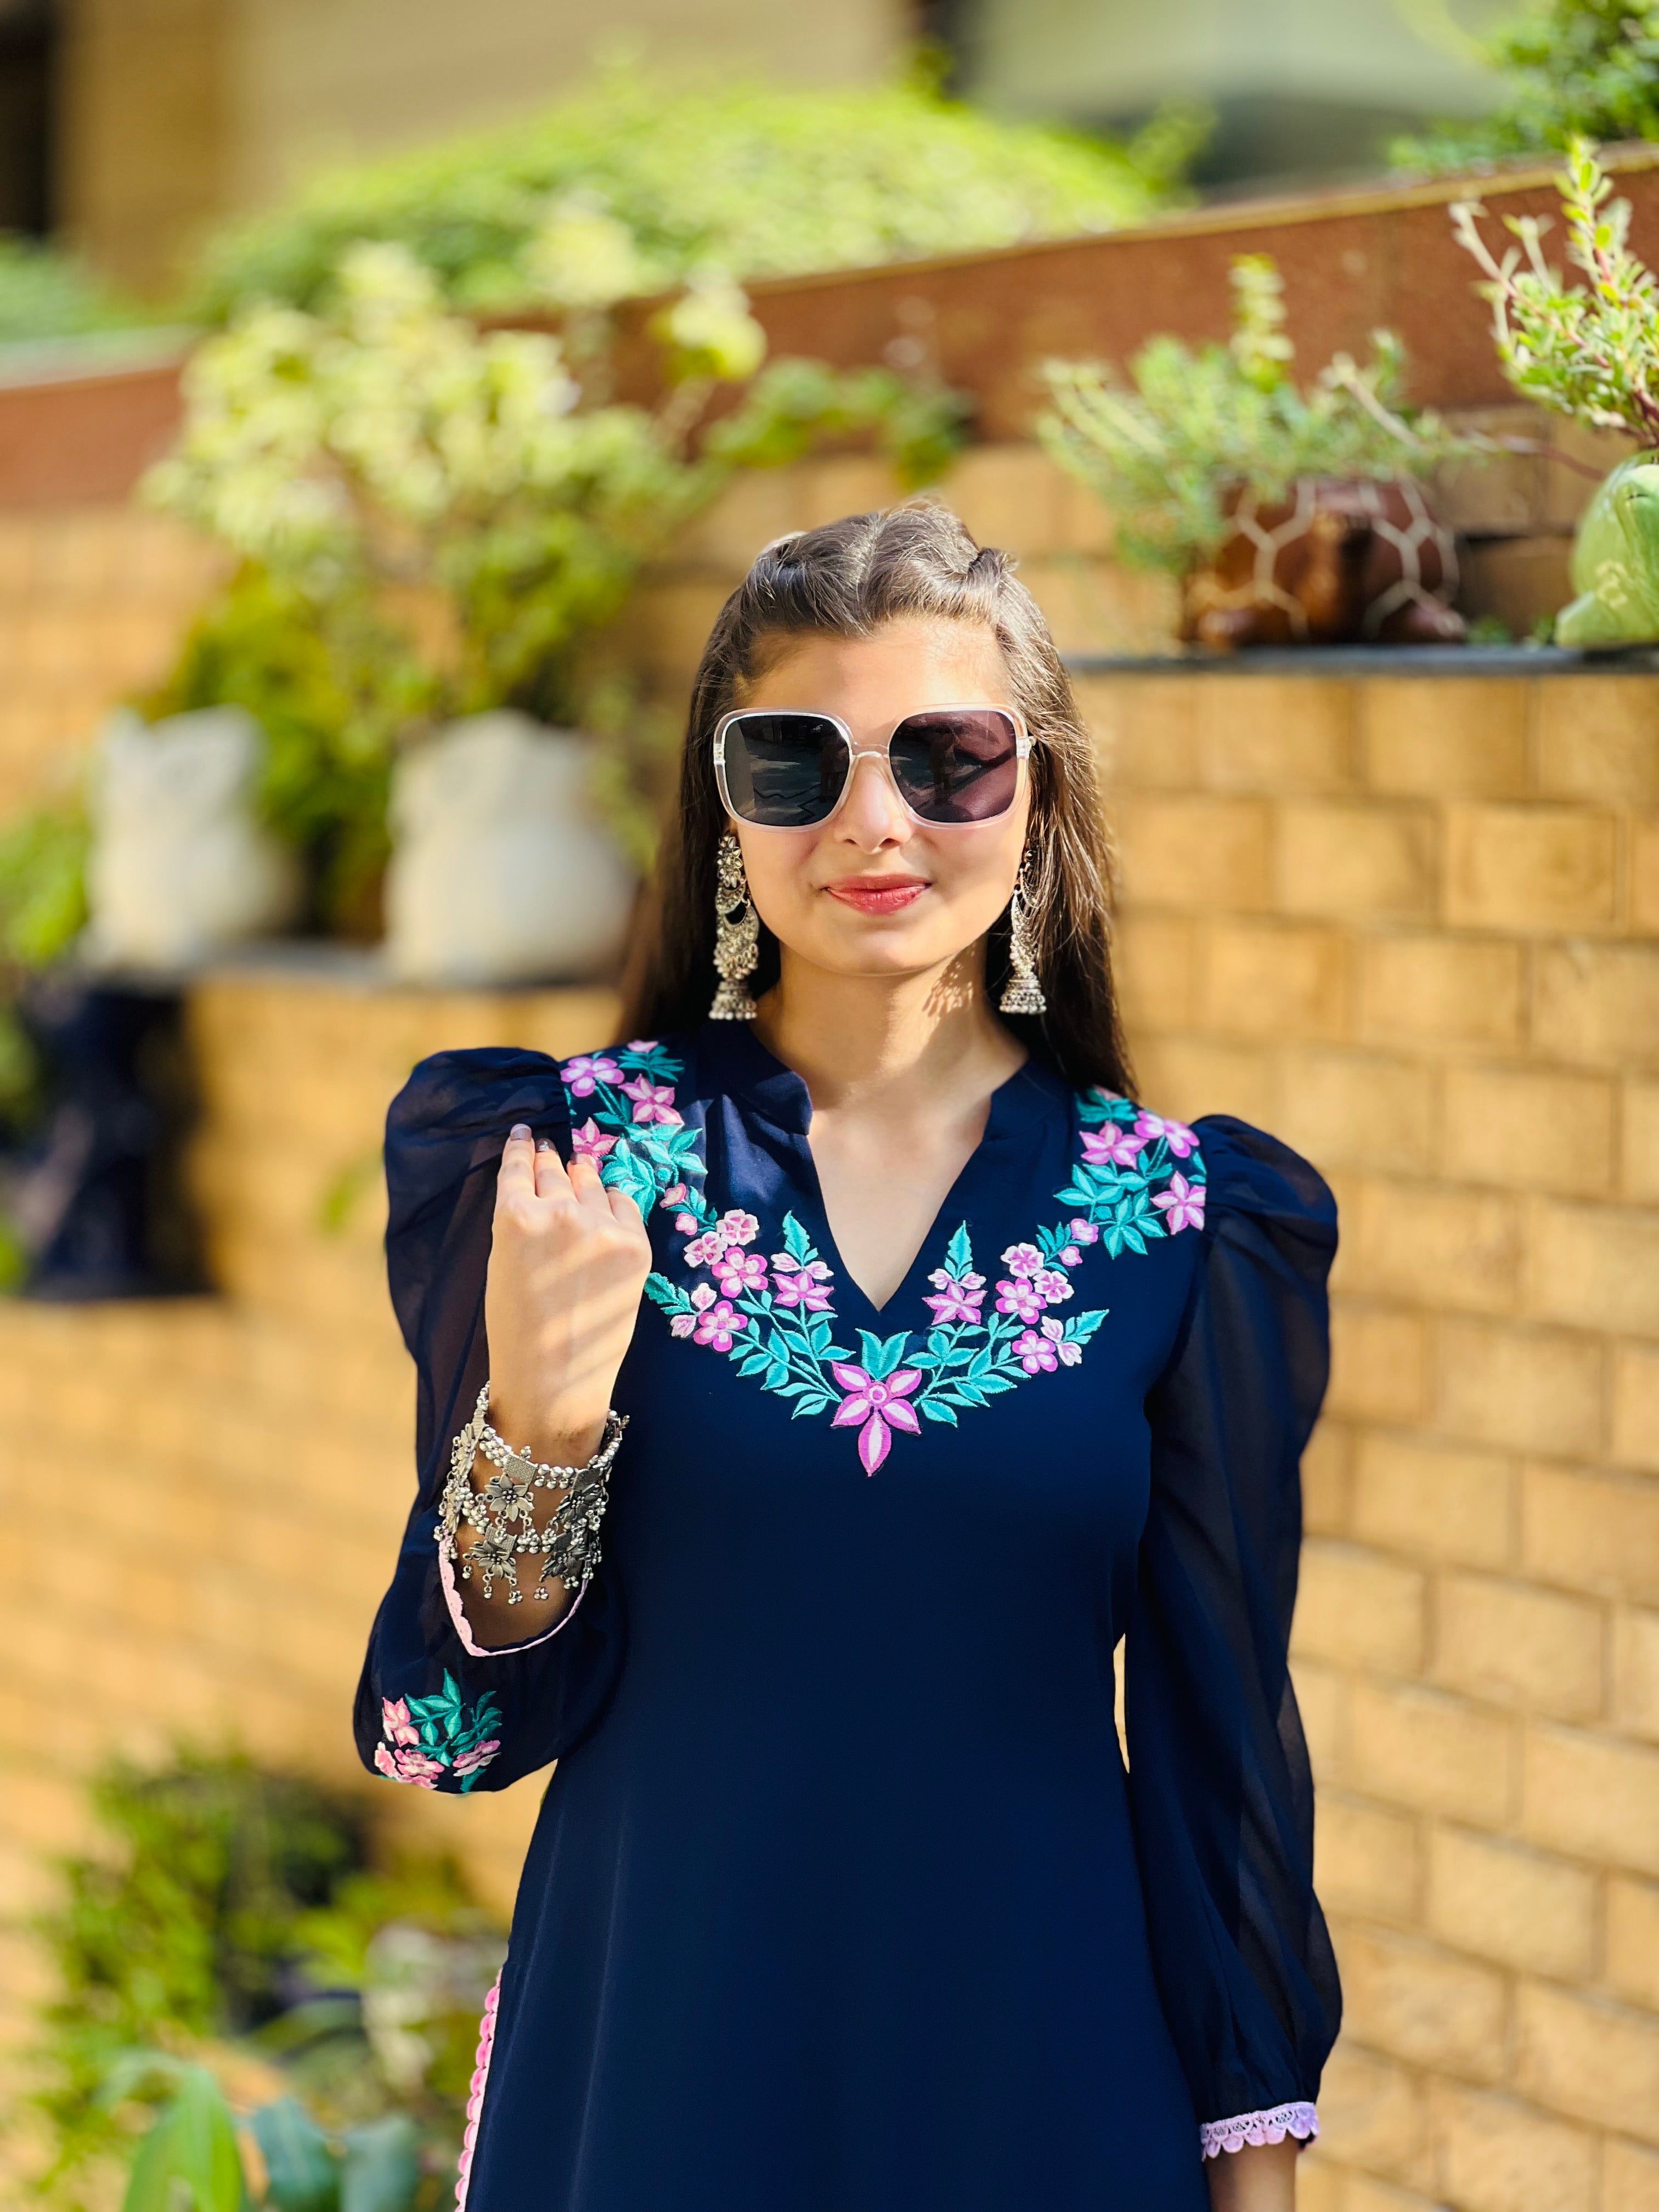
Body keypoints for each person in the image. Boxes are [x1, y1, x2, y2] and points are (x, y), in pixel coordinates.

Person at [355, 504, 1342, 2212]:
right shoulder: (561, 1166)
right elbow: (447, 1732)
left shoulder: (1184, 1220)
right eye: (796, 762)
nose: (875, 821)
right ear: (725, 806)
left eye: (949, 758)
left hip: (1046, 2069)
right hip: (657, 2059)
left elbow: (1220, 1743)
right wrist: (542, 1420)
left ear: (1034, 799)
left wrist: (1257, 2171)